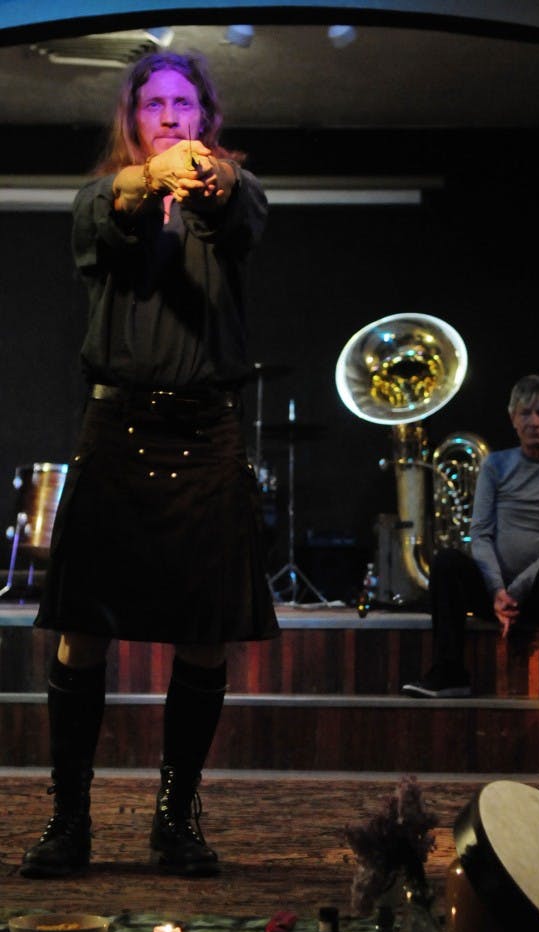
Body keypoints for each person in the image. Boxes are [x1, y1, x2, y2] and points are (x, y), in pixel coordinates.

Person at [20, 50, 279, 879]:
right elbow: (110, 220)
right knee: (82, 633)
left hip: (209, 434)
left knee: (205, 638)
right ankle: (70, 823)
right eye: (152, 103)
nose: (168, 114)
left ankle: (175, 819)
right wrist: (152, 182)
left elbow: (242, 215)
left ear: (205, 117)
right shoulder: (101, 197)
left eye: (182, 103)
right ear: (131, 119)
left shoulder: (239, 193)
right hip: (119, 428)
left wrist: (213, 183)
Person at [402, 374, 539, 707]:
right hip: (493, 593)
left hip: (538, 596)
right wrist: (497, 591)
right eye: (525, 413)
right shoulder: (495, 465)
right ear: (512, 419)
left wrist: (513, 593)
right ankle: (449, 674)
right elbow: (481, 533)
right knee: (446, 562)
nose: (534, 421)